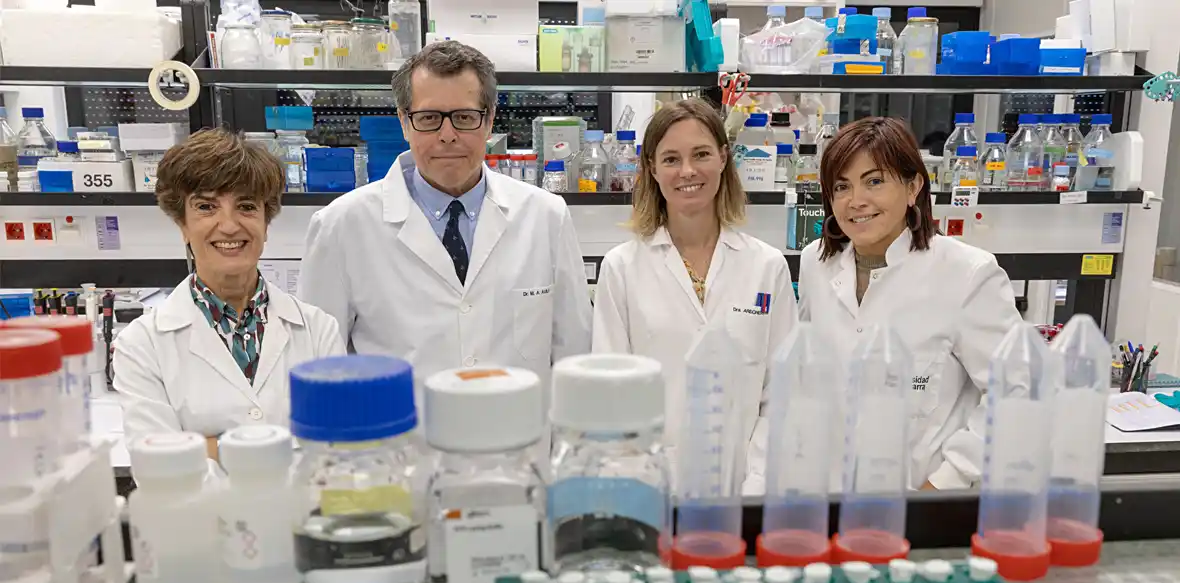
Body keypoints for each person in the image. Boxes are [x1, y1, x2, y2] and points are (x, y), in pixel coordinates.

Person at [300, 41, 592, 394]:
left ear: (490, 119)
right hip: (400, 447)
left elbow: (575, 360)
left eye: (465, 117)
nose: (448, 135)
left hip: (519, 445)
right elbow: (317, 371)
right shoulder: (341, 226)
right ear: (404, 121)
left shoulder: (546, 217)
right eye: (428, 118)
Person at [793, 116, 1022, 491]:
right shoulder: (816, 263)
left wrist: (948, 480)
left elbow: (1018, 390)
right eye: (841, 186)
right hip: (826, 499)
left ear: (913, 185)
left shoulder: (966, 273)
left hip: (920, 504)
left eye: (874, 181)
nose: (856, 201)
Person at [592, 98, 798, 491]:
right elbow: (612, 397)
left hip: (746, 488)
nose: (687, 171)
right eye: (671, 159)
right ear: (651, 168)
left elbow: (782, 396)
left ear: (724, 158)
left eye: (701, 154)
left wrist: (755, 485)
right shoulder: (621, 268)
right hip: (651, 489)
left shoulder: (766, 267)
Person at [113, 129, 345, 459]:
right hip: (202, 512)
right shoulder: (141, 345)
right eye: (207, 207)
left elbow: (336, 449)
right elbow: (154, 463)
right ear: (183, 225)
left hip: (301, 510)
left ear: (266, 221)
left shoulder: (318, 330)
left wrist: (208, 448)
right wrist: (285, 445)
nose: (229, 225)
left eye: (246, 206)